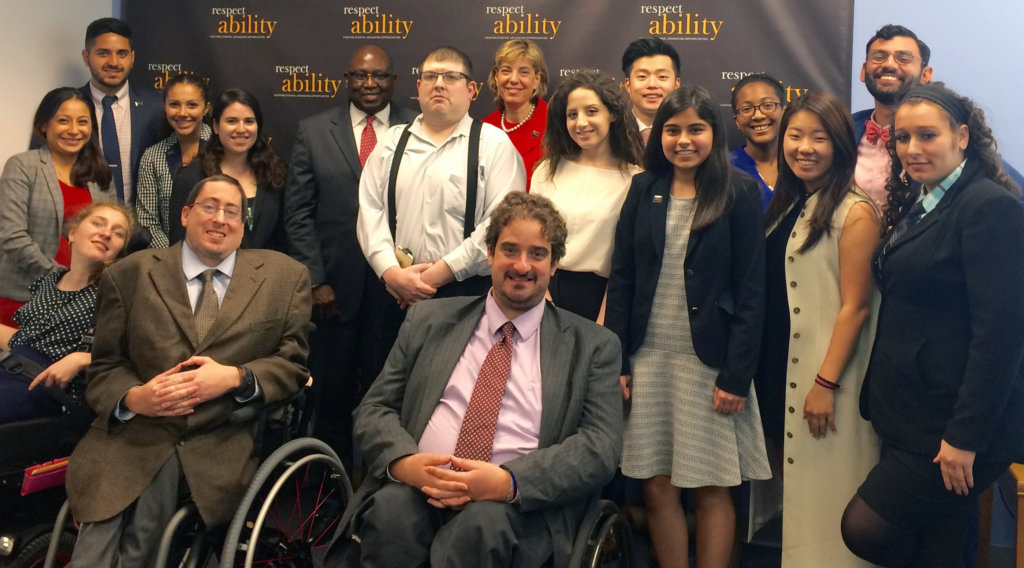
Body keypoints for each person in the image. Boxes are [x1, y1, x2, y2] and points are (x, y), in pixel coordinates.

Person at [333, 191, 623, 567]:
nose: (522, 265)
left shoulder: (594, 345)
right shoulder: (429, 320)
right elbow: (374, 408)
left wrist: (509, 483)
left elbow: (600, 448)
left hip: (518, 506)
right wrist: (405, 463)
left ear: (555, 265)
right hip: (418, 486)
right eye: (510, 250)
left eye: (537, 253)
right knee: (390, 514)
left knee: (480, 529)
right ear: (489, 255)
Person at [65, 174, 311, 567]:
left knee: (144, 530)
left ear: (244, 223)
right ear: (185, 214)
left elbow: (293, 366)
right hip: (132, 432)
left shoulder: (285, 278)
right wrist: (133, 398)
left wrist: (235, 377)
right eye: (209, 206)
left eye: (233, 211)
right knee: (100, 534)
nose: (220, 219)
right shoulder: (129, 274)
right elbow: (106, 366)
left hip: (218, 438)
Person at [841, 83, 1024, 568]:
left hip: (954, 424)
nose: (912, 149)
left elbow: (1000, 337)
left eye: (927, 136)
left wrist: (965, 438)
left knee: (863, 528)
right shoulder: (925, 200)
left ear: (962, 136)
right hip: (914, 412)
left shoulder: (988, 207)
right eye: (902, 138)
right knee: (940, 540)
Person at [605, 86, 770, 568]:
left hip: (711, 365)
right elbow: (623, 279)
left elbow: (752, 292)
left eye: (696, 129)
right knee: (656, 487)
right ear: (660, 135)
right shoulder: (643, 188)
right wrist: (618, 360)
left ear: (713, 134)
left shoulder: (737, 191)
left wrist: (736, 375)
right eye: (673, 130)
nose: (683, 140)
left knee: (712, 488)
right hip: (648, 360)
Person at [759, 92, 880, 567]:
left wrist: (824, 383)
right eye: (795, 135)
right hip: (782, 373)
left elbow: (856, 307)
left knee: (830, 506)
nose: (804, 147)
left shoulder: (855, 211)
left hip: (826, 383)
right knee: (801, 503)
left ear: (841, 146)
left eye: (819, 137)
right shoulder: (790, 204)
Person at [356, 46, 525, 382]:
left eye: (451, 77)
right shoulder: (390, 143)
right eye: (430, 76)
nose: (439, 84)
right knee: (388, 395)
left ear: (471, 90)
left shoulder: (494, 145)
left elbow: (499, 225)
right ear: (418, 87)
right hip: (393, 296)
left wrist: (432, 278)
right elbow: (370, 211)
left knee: (454, 396)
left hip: (465, 296)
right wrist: (392, 274)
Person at [284, 44, 418, 460]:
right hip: (334, 293)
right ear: (347, 80)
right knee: (332, 395)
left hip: (398, 289)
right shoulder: (313, 130)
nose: (370, 83)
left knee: (391, 395)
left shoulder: (419, 129)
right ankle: (327, 487)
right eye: (360, 75)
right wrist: (316, 279)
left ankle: (382, 481)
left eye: (379, 75)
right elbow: (298, 212)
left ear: (394, 81)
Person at [852, 24, 1023, 209]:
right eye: (879, 56)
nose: (889, 64)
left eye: (904, 58)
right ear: (863, 71)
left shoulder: (958, 142)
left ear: (926, 74)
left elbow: (1013, 200)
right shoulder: (843, 131)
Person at [0, 203, 133, 424]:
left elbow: (134, 353)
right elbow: (22, 340)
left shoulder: (114, 293)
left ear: (118, 252)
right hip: (13, 368)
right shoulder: (48, 281)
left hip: (51, 390)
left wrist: (83, 358)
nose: (106, 233)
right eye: (97, 223)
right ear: (72, 233)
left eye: (117, 233)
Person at [530, 71, 643, 322]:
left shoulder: (635, 180)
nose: (581, 123)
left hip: (603, 300)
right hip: (541, 293)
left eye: (591, 111)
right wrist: (543, 305)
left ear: (612, 114)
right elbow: (531, 240)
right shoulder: (547, 171)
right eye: (572, 114)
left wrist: (603, 322)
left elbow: (629, 260)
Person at [0, 87, 114, 327]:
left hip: (81, 304)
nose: (74, 130)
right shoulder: (22, 166)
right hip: (23, 299)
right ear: (44, 126)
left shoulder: (101, 176)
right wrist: (63, 279)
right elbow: (11, 236)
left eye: (82, 122)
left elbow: (111, 238)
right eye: (63, 121)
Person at [168, 89, 287, 252]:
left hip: (267, 274)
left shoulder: (275, 175)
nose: (241, 129)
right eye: (231, 121)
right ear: (216, 127)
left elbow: (284, 239)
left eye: (249, 121)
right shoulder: (191, 178)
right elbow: (178, 244)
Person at [75, 17, 163, 205]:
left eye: (122, 53)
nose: (113, 62)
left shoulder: (157, 107)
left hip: (143, 228)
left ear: (132, 57)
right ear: (86, 57)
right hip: (84, 226)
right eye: (103, 53)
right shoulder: (66, 108)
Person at [136, 73, 213, 248]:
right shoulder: (153, 157)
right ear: (165, 107)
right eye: (174, 104)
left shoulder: (222, 148)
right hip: (169, 261)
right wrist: (173, 257)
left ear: (206, 108)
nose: (182, 113)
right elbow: (148, 221)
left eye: (192, 105)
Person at [481, 40, 549, 189]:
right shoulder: (484, 128)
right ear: (496, 78)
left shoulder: (554, 122)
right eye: (506, 70)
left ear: (536, 80)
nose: (513, 79)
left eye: (523, 72)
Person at [729, 73, 786, 209]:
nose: (758, 115)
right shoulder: (726, 170)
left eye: (767, 105)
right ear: (737, 121)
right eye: (747, 109)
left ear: (783, 112)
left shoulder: (799, 165)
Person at [620, 37, 681, 144]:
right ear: (628, 85)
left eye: (662, 77)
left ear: (676, 84)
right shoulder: (610, 133)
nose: (652, 84)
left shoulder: (688, 133)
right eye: (642, 76)